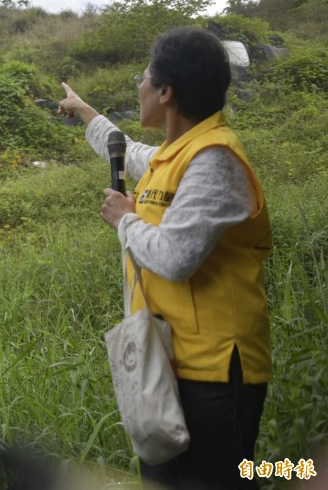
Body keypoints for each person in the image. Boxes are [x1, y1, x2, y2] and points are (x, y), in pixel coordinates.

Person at [59, 27, 272, 490]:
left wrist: (125, 221)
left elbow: (176, 257)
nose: (138, 86)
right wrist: (85, 112)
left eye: (143, 77)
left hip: (214, 371)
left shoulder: (214, 159)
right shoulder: (176, 155)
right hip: (169, 361)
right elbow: (128, 151)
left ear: (165, 92)